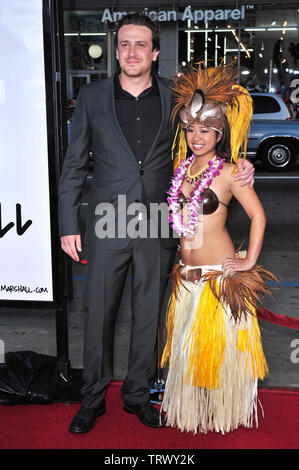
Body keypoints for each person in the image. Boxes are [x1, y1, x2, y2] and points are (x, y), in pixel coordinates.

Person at [58, 12, 255, 433]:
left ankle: (136, 395)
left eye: (140, 44)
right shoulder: (91, 97)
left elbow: (211, 137)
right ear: (116, 50)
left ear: (155, 52)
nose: (132, 52)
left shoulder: (176, 101)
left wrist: (241, 165)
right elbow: (73, 165)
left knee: (148, 313)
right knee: (99, 315)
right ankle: (91, 398)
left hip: (158, 222)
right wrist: (68, 224)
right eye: (124, 44)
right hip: (108, 222)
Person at [161, 63, 277, 434]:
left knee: (220, 356)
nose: (197, 137)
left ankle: (222, 414)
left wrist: (248, 261)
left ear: (219, 133)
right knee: (189, 353)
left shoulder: (230, 171)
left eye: (206, 130)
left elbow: (258, 216)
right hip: (186, 279)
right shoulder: (181, 167)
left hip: (218, 279)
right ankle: (193, 412)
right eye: (191, 129)